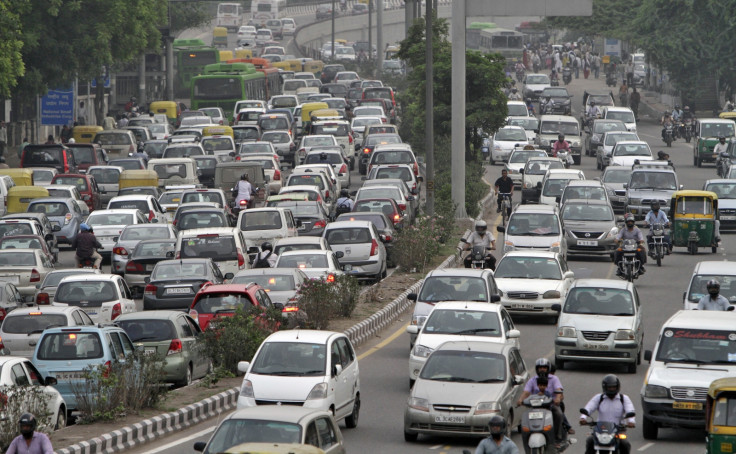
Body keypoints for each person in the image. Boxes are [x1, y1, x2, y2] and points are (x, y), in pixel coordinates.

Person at [580, 375, 635, 454]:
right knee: (590, 441)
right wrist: (583, 418)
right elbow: (589, 408)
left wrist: (631, 421)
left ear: (617, 387)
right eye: (610, 387)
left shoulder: (624, 399)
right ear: (605, 387)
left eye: (613, 387)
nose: (612, 389)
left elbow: (630, 410)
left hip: (618, 431)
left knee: (625, 443)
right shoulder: (599, 398)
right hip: (600, 431)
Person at [517, 358, 566, 446]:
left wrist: (557, 399)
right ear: (537, 369)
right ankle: (528, 436)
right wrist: (521, 400)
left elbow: (558, 390)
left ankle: (557, 437)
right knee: (525, 417)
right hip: (535, 406)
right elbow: (526, 392)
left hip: (551, 405)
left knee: (558, 413)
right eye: (540, 367)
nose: (542, 369)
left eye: (544, 367)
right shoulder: (532, 380)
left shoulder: (554, 379)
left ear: (548, 369)